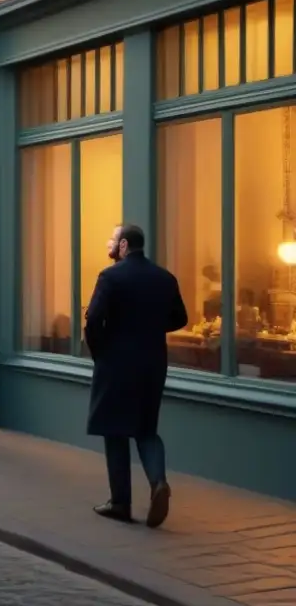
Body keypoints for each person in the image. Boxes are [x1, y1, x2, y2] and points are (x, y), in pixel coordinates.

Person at [84, 224, 188, 529]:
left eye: (113, 239)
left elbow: (93, 320)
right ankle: (159, 482)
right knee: (146, 429)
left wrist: (101, 353)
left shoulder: (110, 277)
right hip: (153, 363)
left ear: (124, 245)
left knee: (114, 428)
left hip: (116, 364)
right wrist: (149, 328)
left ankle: (120, 503)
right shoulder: (165, 278)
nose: (109, 243)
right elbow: (180, 318)